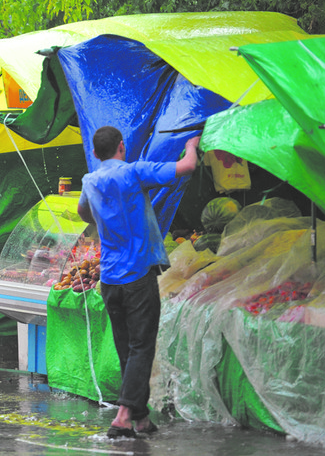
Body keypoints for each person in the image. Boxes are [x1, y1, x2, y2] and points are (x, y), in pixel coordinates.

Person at [77, 126, 200, 439]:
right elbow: (187, 167)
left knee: (127, 349)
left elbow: (83, 213)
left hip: (109, 279)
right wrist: (191, 145)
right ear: (122, 146)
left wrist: (107, 217)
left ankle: (141, 418)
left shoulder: (90, 181)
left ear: (95, 153)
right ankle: (122, 416)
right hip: (137, 275)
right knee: (142, 346)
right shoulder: (134, 172)